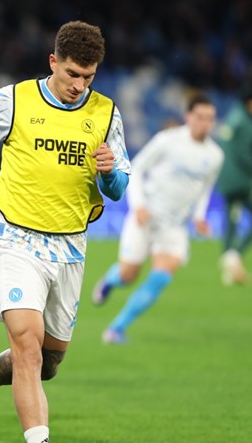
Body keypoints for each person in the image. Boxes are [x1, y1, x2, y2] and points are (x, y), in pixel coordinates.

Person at [0, 21, 130, 443]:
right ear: (53, 62)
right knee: (26, 346)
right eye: (72, 74)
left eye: (88, 77)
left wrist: (109, 174)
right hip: (16, 240)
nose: (79, 85)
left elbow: (117, 188)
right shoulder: (15, 100)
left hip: (70, 248)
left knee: (47, 363)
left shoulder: (106, 113)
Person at [92, 95, 224, 344]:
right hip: (146, 217)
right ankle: (110, 280)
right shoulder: (168, 140)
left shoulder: (215, 155)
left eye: (210, 118)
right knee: (128, 275)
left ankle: (116, 329)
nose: (205, 123)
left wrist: (199, 216)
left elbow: (205, 187)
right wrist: (139, 205)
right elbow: (136, 167)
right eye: (200, 117)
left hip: (174, 226)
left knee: (161, 277)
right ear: (188, 116)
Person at [216, 85, 252, 285]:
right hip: (243, 180)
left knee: (231, 221)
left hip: (226, 179)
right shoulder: (245, 122)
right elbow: (244, 154)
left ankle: (229, 271)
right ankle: (234, 256)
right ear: (250, 102)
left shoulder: (233, 117)